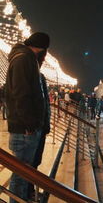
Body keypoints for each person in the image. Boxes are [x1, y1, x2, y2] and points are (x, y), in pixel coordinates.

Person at [5, 32, 51, 203]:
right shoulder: (23, 59)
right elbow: (21, 95)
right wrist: (31, 125)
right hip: (24, 131)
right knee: (20, 176)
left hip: (27, 130)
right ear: (41, 48)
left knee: (24, 175)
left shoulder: (26, 59)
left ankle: (23, 199)